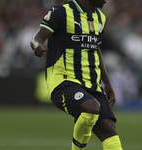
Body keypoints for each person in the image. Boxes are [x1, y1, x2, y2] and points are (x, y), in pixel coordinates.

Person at [30, 0, 123, 149]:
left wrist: (107, 82)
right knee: (91, 107)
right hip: (64, 80)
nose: (106, 0)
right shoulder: (60, 12)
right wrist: (37, 46)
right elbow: (38, 37)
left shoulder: (100, 17)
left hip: (91, 82)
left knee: (108, 129)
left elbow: (95, 49)